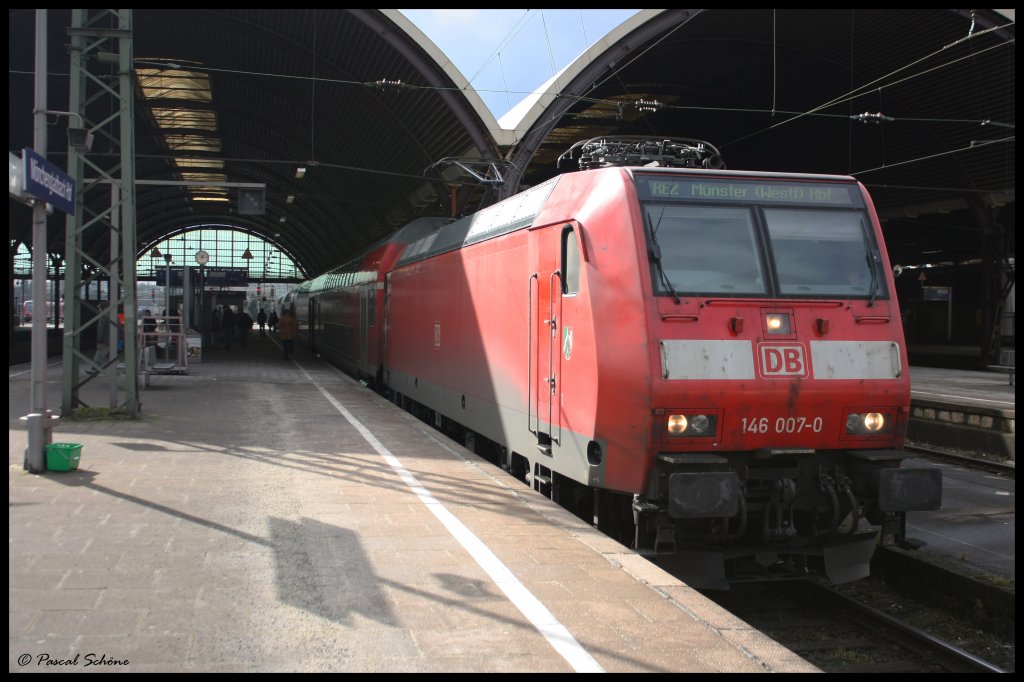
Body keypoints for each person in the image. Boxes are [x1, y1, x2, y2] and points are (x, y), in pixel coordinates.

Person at [89, 301, 111, 375]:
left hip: (104, 340)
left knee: (99, 355)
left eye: (99, 308)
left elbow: (101, 329)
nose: (99, 310)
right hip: (112, 339)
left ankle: (94, 370)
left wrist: (98, 341)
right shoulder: (113, 314)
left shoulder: (103, 315)